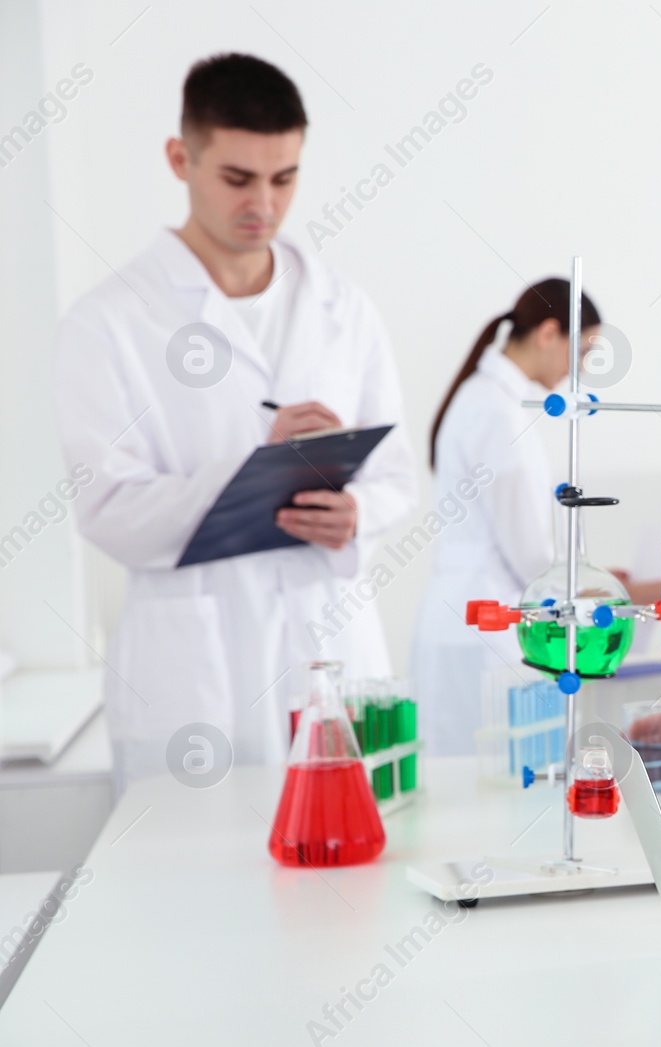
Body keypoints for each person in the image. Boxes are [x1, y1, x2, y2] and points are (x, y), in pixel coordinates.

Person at [53, 54, 416, 792]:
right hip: (194, 673)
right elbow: (107, 510)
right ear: (180, 159)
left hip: (331, 642)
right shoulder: (111, 321)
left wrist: (355, 512)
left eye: (285, 178)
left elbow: (397, 475)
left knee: (353, 882)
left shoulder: (342, 308)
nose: (266, 204)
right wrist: (252, 469)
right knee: (196, 887)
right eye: (238, 178)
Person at [411, 279, 599, 753]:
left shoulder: (491, 399)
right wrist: (589, 589)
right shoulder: (498, 411)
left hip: (472, 627)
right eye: (583, 353)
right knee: (487, 794)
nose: (580, 370)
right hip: (482, 637)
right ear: (549, 333)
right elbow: (530, 555)